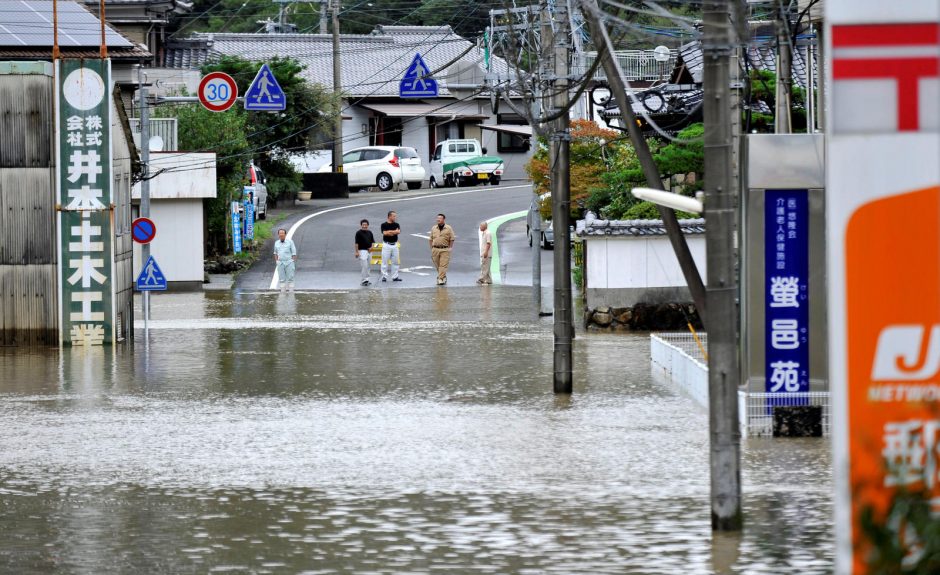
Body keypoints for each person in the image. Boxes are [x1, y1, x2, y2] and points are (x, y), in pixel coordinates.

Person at [428, 213, 456, 285]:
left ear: (443, 219)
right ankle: (443, 276)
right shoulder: (434, 228)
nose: (438, 219)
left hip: (445, 249)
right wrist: (431, 248)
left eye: (440, 218)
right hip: (435, 249)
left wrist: (450, 248)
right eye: (437, 218)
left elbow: (452, 238)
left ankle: (440, 279)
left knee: (443, 265)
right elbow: (430, 239)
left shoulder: (448, 228)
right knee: (437, 265)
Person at [380, 211, 402, 282]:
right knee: (385, 261)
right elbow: (385, 233)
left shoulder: (397, 224)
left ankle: (395, 277)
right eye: (394, 216)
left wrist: (390, 232)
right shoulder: (383, 225)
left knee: (395, 261)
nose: (395, 217)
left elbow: (398, 232)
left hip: (395, 244)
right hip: (386, 245)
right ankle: (384, 276)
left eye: (395, 216)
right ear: (389, 216)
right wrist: (394, 232)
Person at [355, 219, 375, 286]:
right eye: (363, 225)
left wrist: (371, 248)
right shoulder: (358, 233)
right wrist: (357, 252)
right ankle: (363, 280)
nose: (364, 226)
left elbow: (373, 242)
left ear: (368, 225)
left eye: (365, 225)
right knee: (364, 266)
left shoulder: (370, 232)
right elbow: (356, 243)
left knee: (369, 266)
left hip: (369, 251)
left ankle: (367, 280)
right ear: (361, 225)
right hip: (362, 250)